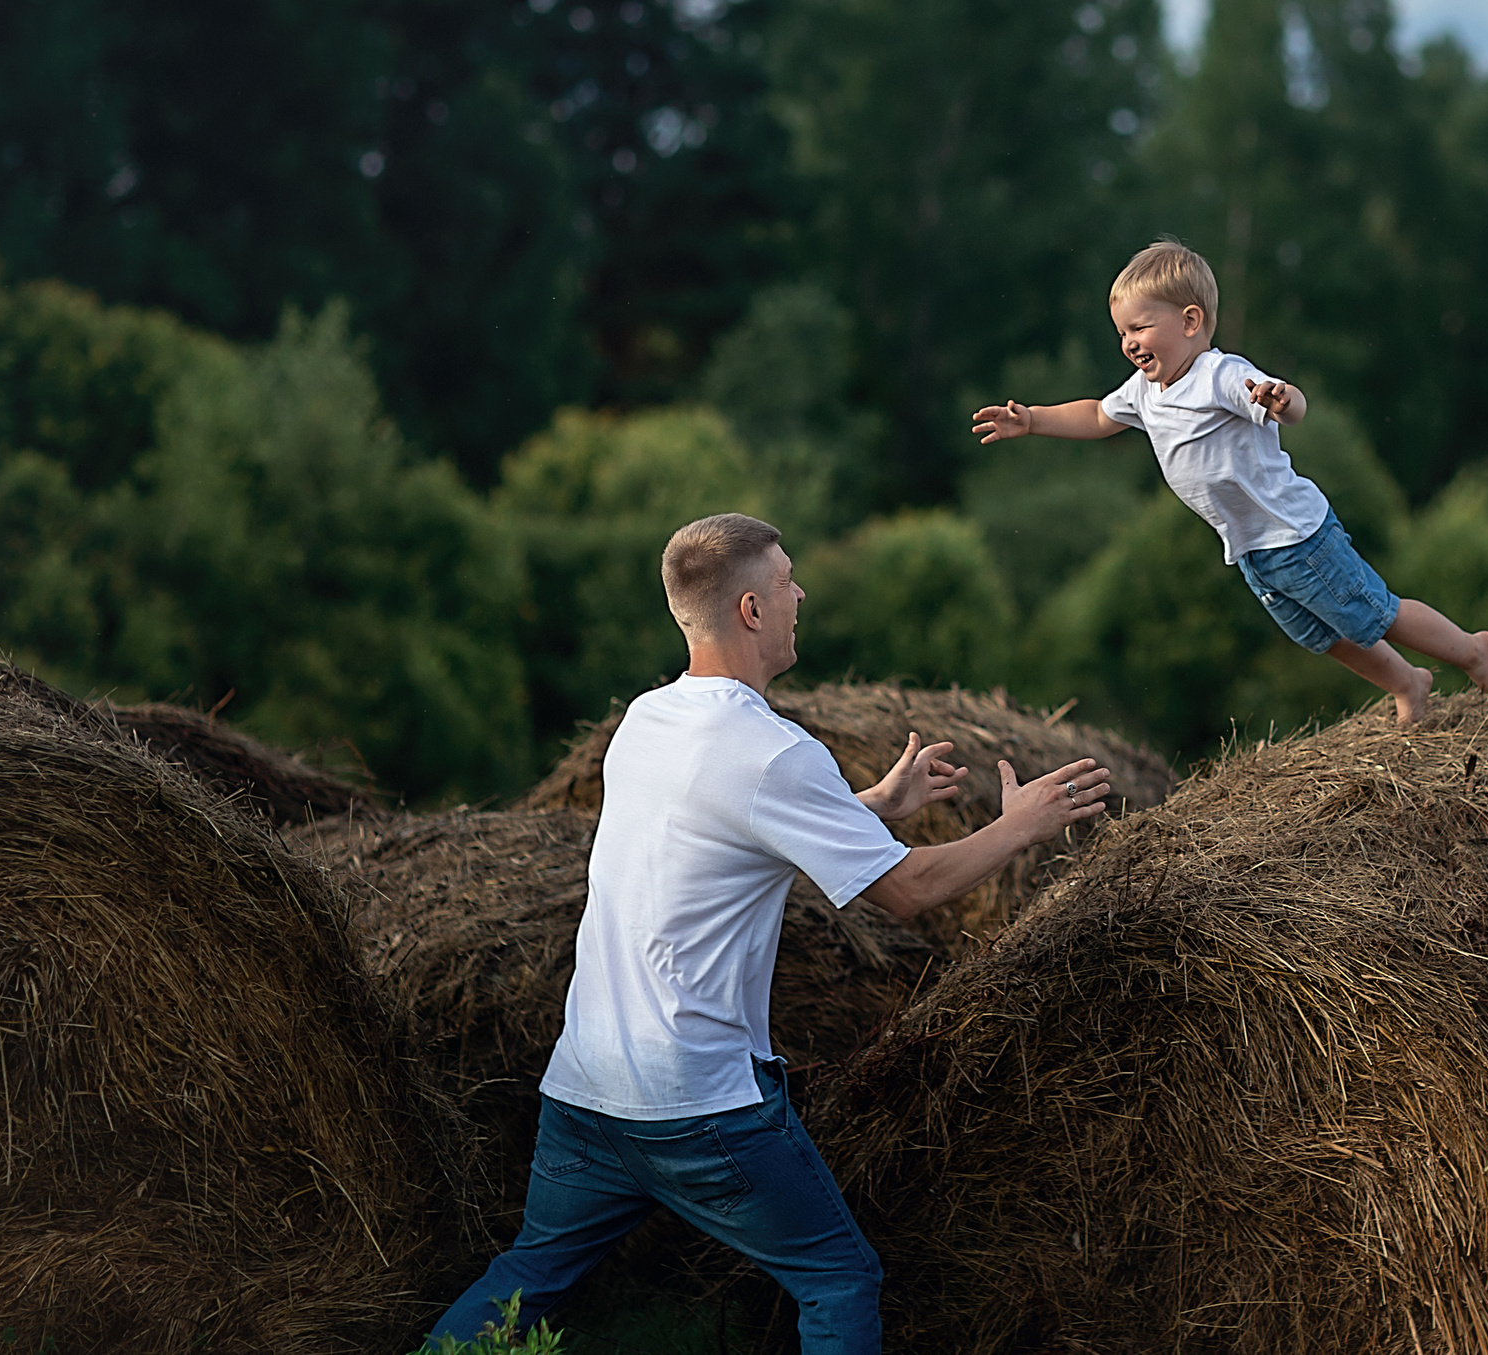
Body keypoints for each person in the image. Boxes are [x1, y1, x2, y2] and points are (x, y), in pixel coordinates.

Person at [420, 512, 1111, 1352]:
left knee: (523, 1278)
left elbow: (721, 836)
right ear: (751, 608)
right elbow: (907, 891)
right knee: (837, 1279)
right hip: (696, 1100)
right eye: (788, 581)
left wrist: (874, 808)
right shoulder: (772, 748)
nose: (801, 594)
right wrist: (1018, 828)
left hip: (586, 1088)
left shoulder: (644, 720)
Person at [971, 239, 1488, 726]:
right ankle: (1408, 683)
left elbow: (1289, 404)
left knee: (1374, 612)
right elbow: (1095, 417)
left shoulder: (1220, 374)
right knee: (1325, 637)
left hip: (1295, 533)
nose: (1129, 344)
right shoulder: (1143, 390)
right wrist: (1034, 419)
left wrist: (1281, 399)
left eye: (1139, 328)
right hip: (1252, 548)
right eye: (1122, 334)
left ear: (1188, 320)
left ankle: (1471, 650)